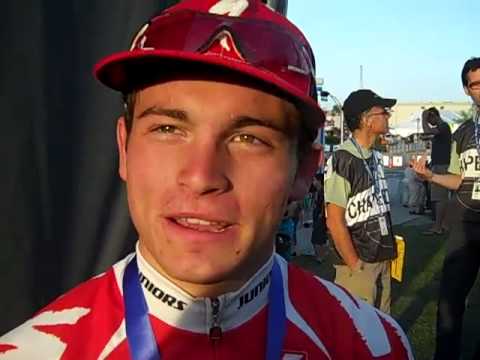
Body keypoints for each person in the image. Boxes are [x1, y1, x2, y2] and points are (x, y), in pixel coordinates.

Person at [0, 1, 412, 359]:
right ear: (125, 150)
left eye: (249, 138)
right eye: (167, 129)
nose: (200, 176)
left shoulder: (374, 346)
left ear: (304, 170)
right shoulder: (32, 352)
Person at [411, 57, 480, 360]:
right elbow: (459, 179)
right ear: (467, 90)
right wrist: (431, 176)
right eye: (476, 83)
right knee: (449, 301)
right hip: (466, 222)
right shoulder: (464, 131)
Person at [325, 89, 398, 314]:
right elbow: (334, 221)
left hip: (381, 256)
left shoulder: (374, 157)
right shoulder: (343, 159)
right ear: (366, 120)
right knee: (356, 333)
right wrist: (355, 265)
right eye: (383, 112)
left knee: (382, 327)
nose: (388, 116)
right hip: (358, 262)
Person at [421, 107, 452, 234]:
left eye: (430, 119)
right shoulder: (443, 128)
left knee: (439, 197)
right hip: (441, 164)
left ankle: (437, 226)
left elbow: (427, 130)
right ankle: (443, 224)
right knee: (442, 197)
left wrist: (423, 117)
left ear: (434, 116)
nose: (429, 123)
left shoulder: (443, 126)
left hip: (441, 165)